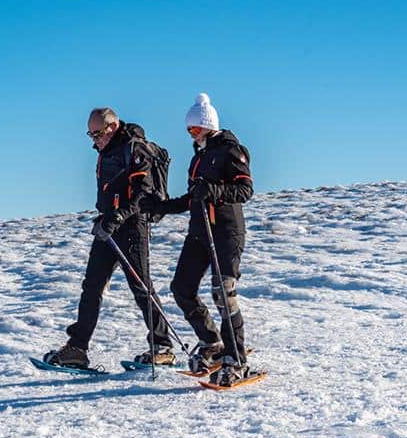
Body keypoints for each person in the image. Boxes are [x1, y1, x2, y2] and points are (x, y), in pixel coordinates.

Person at [43, 107, 175, 368]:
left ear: (112, 127)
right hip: (108, 227)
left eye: (98, 134)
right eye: (90, 135)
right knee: (92, 286)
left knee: (140, 286)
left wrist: (118, 216)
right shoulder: (106, 152)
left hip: (132, 226)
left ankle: (162, 347)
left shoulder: (134, 148)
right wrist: (106, 216)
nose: (94, 140)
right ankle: (77, 348)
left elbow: (142, 193)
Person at [142, 93, 253, 385]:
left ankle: (236, 359)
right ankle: (211, 343)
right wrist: (162, 207)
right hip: (199, 233)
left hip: (226, 232)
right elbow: (193, 198)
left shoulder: (231, 150)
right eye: (189, 129)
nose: (192, 133)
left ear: (209, 126)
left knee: (223, 293)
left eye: (196, 128)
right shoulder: (198, 157)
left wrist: (214, 191)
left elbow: (244, 190)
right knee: (182, 288)